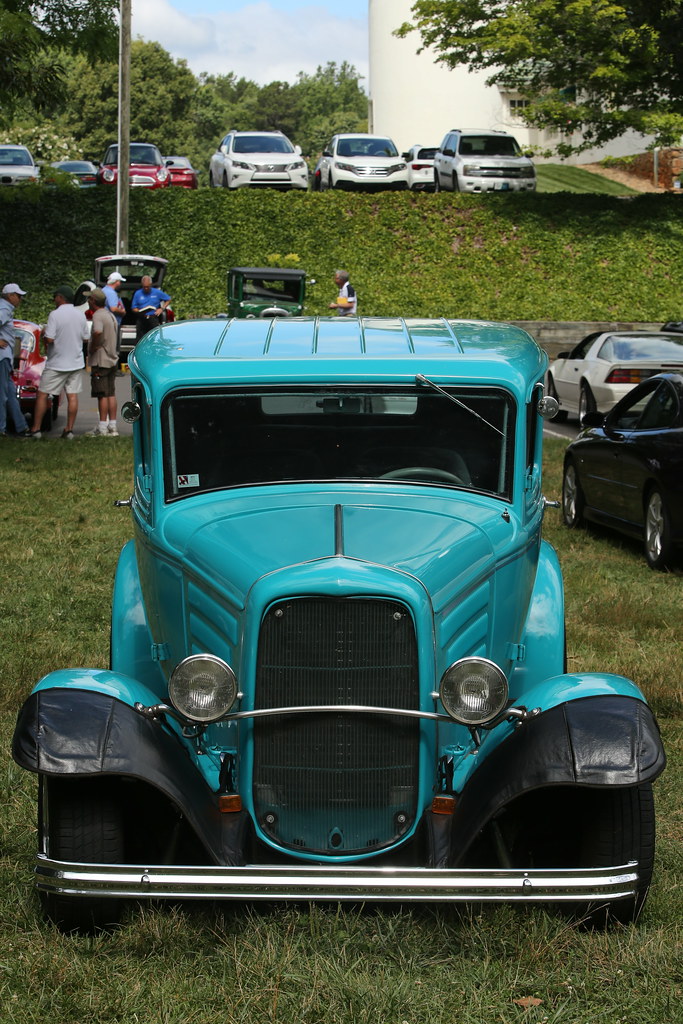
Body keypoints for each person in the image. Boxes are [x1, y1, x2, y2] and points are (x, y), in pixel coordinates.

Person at [29, 285, 89, 439]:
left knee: (42, 394)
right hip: (75, 362)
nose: (54, 299)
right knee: (72, 396)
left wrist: (44, 334)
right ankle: (69, 430)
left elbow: (50, 338)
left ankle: (35, 429)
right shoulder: (80, 315)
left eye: (56, 296)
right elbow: (86, 337)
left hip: (57, 363)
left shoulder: (54, 315)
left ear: (61, 297)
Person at [87, 288, 119, 436]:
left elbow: (97, 331)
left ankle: (102, 427)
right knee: (111, 393)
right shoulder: (110, 315)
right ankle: (113, 425)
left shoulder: (98, 316)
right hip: (112, 358)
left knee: (102, 394)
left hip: (101, 359)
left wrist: (93, 347)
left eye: (89, 299)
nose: (88, 301)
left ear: (93, 301)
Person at [0, 283, 30, 437]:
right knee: (2, 394)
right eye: (18, 296)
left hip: (5, 358)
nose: (20, 299)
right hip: (2, 357)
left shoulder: (5, 308)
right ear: (10, 296)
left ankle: (20, 427)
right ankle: (1, 429)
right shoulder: (4, 309)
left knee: (10, 393)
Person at [131, 275, 171, 341]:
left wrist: (162, 309)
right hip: (142, 318)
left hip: (153, 317)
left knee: (154, 337)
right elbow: (133, 308)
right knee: (140, 339)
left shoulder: (157, 292)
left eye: (148, 287)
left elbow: (168, 299)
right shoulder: (138, 293)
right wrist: (139, 311)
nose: (146, 288)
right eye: (144, 287)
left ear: (151, 285)